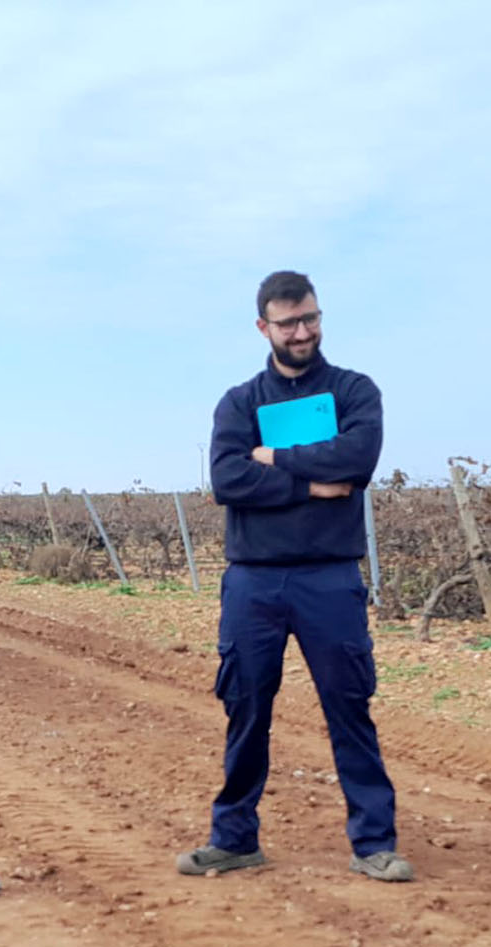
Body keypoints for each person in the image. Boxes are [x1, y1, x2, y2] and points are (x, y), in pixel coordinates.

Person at [177, 271, 410, 883]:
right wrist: (310, 484)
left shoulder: (356, 391)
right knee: (245, 709)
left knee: (349, 707)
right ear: (264, 328)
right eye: (288, 323)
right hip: (254, 582)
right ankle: (234, 837)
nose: (301, 331)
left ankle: (373, 842)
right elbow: (228, 480)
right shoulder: (239, 402)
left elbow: (356, 459)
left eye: (309, 318)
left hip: (330, 578)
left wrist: (275, 458)